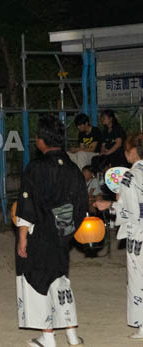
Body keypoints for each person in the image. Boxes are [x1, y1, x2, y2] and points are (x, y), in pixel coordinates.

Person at [15, 114, 88, 347]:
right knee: (61, 279)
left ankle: (47, 336)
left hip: (41, 232)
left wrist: (22, 237)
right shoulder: (72, 169)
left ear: (42, 141)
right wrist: (69, 228)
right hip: (63, 232)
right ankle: (72, 334)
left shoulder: (36, 168)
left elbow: (27, 205)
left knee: (39, 280)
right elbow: (81, 204)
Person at [96, 132, 143, 339]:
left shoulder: (129, 176)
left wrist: (108, 205)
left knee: (138, 278)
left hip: (138, 234)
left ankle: (142, 324)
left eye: (127, 150)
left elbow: (128, 210)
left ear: (132, 151)